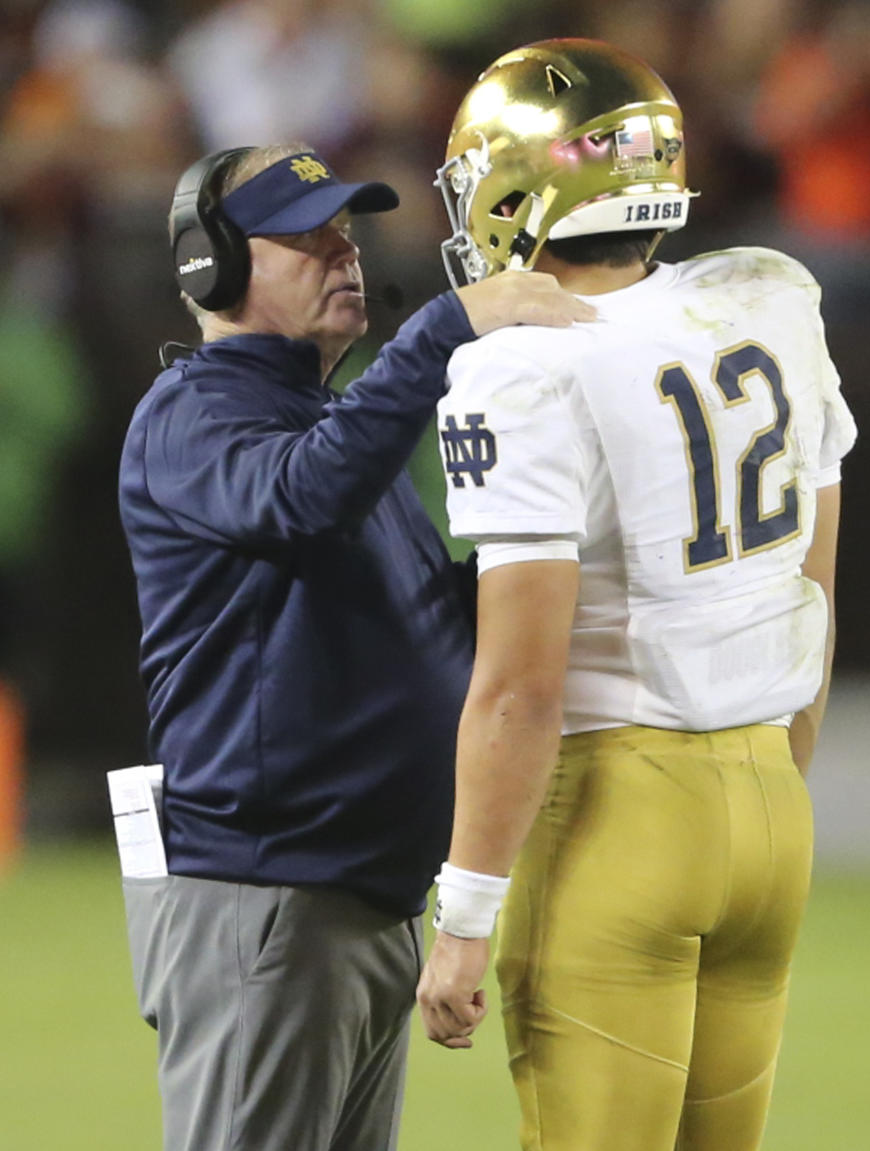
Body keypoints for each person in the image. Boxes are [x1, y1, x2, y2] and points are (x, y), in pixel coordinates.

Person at [416, 38, 857, 1151]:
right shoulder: (768, 304)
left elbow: (519, 684)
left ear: (523, 192)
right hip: (770, 800)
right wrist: (769, 783)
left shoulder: (522, 364)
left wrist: (465, 913)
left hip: (622, 812)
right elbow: (814, 587)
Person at [116, 141, 594, 1151]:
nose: (346, 252)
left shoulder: (321, 417)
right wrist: (443, 334)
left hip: (358, 901)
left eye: (348, 230)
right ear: (214, 263)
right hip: (265, 897)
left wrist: (544, 566)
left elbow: (427, 615)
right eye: (307, 235)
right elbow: (302, 498)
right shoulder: (192, 411)